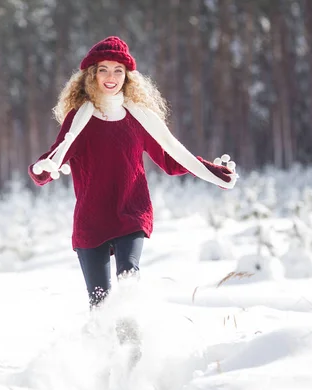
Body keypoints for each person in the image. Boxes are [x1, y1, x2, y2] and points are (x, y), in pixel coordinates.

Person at [28, 36, 237, 309]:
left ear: (127, 76)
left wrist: (212, 172)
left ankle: (134, 346)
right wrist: (41, 170)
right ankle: (105, 349)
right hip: (91, 220)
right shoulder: (80, 119)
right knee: (99, 302)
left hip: (131, 212)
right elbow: (56, 158)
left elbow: (171, 159)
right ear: (91, 75)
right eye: (103, 69)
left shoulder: (139, 117)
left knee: (129, 279)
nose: (111, 77)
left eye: (118, 70)